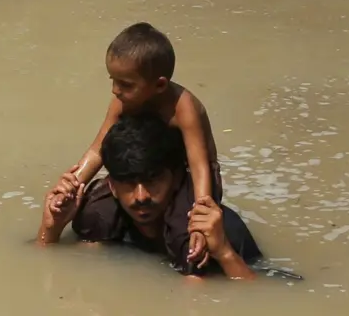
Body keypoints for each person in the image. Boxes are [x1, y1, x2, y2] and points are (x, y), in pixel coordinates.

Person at [53, 23, 222, 270]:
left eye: (125, 84)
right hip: (144, 171)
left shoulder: (184, 109)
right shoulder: (123, 101)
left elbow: (199, 166)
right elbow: (97, 150)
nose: (115, 90)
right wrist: (71, 185)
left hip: (189, 178)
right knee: (90, 214)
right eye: (113, 81)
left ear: (160, 85)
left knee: (188, 243)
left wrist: (201, 215)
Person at [38, 113, 260, 279]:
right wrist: (52, 228)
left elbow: (261, 295)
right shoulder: (102, 218)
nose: (141, 196)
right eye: (128, 183)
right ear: (112, 186)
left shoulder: (222, 230)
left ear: (175, 179)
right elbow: (41, 267)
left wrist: (224, 252)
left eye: (152, 180)